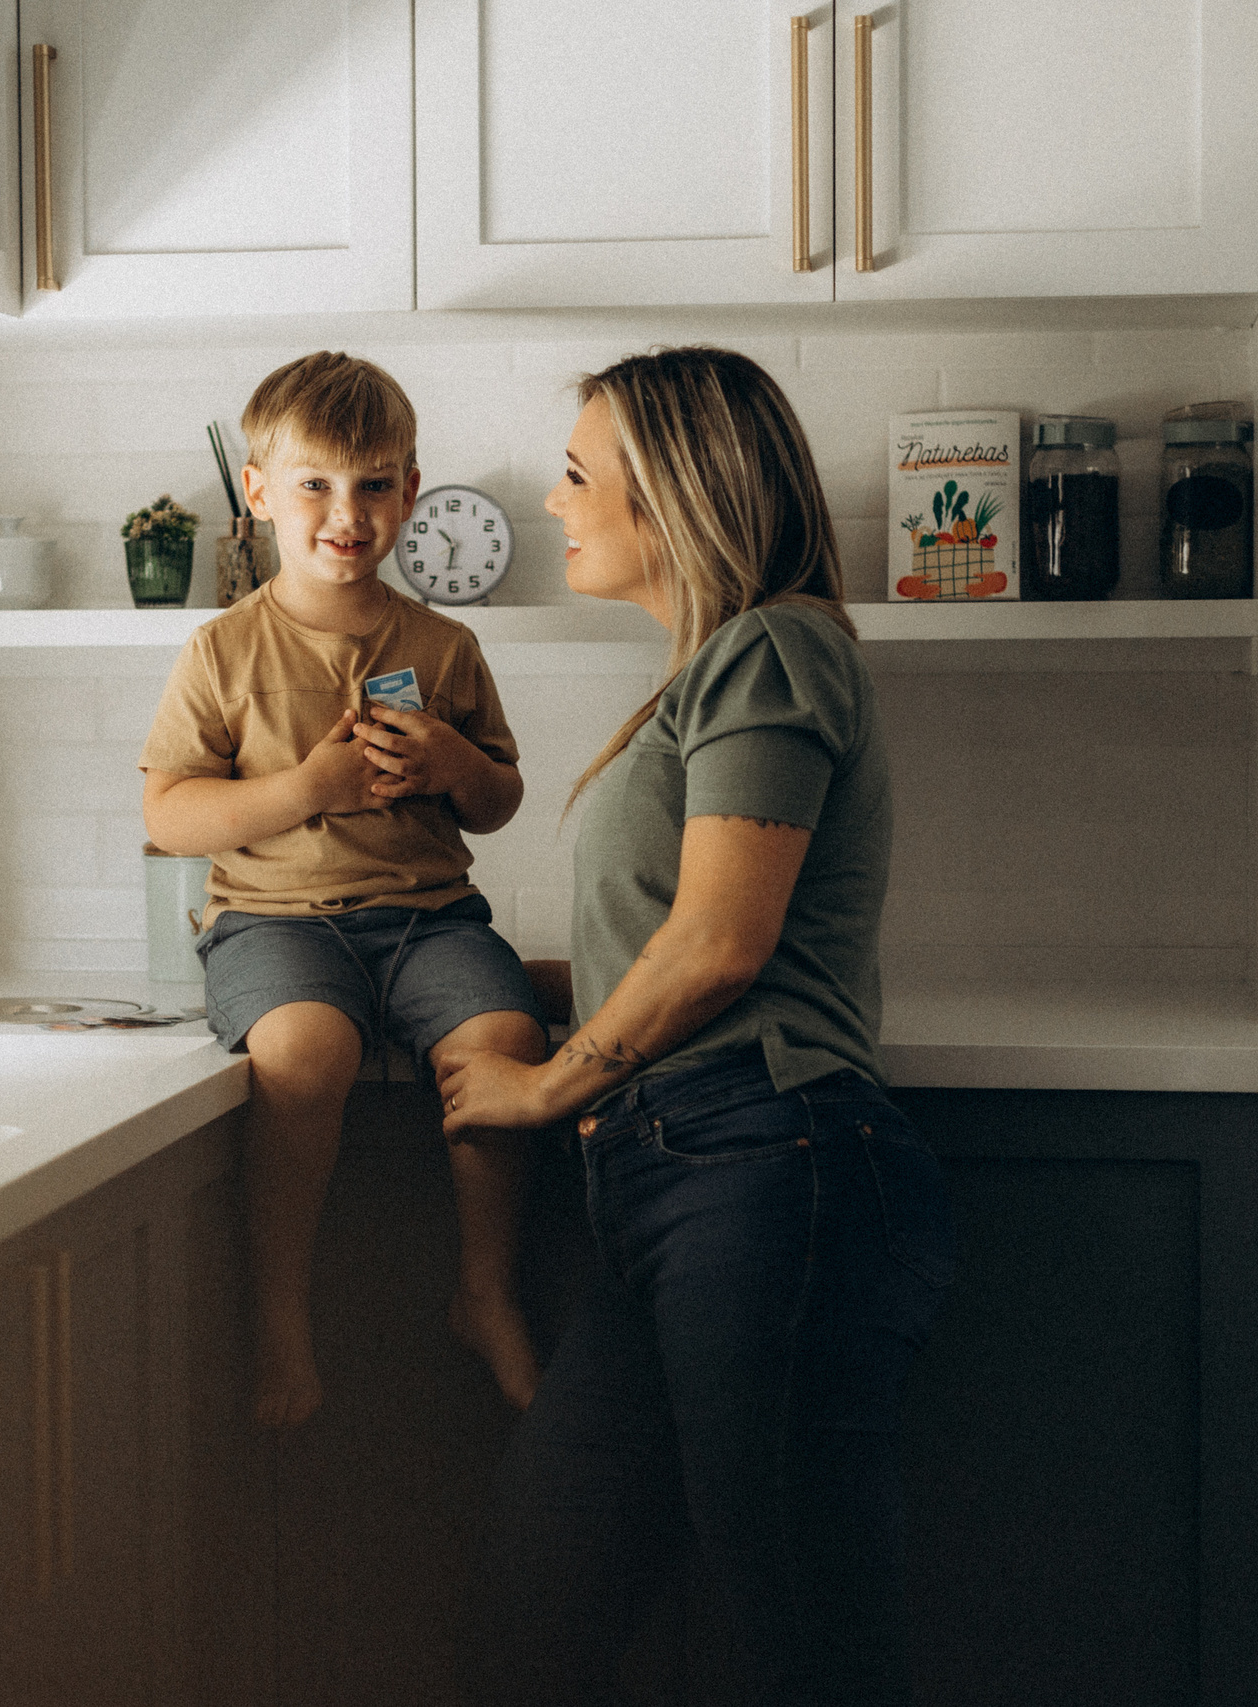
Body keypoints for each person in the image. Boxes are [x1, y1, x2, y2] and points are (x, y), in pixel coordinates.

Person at [438, 347, 957, 1704]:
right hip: (679, 1185)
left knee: (801, 1644)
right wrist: (440, 970)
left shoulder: (771, 644)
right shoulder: (711, 672)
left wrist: (545, 1087)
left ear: (669, 493)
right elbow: (661, 936)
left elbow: (723, 940)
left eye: (572, 473)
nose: (553, 503)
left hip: (768, 1167)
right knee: (535, 1614)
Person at [141, 351, 551, 1429]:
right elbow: (170, 814)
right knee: (303, 1053)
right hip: (274, 923)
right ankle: (280, 1316)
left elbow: (499, 796)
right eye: (315, 484)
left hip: (428, 920)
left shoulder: (445, 644)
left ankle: (485, 1292)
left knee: (504, 1035)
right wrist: (306, 789)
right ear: (260, 491)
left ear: (411, 491)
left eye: (374, 483)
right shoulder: (221, 649)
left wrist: (451, 769)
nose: (347, 513)